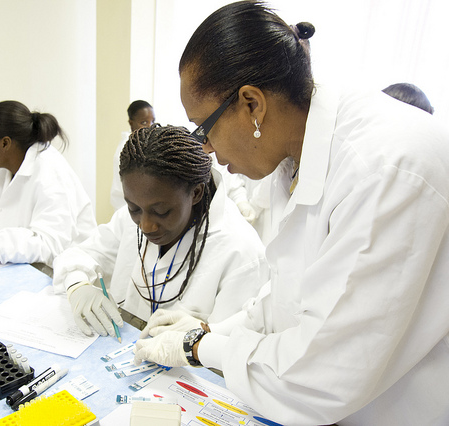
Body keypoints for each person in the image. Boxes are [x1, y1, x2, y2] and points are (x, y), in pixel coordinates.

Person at [132, 2, 449, 425]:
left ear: (251, 105)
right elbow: (289, 296)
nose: (205, 150)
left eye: (203, 129)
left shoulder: (381, 170)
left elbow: (325, 371)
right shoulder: (294, 155)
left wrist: (196, 347)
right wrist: (211, 330)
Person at [54, 124, 268, 337]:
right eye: (133, 208)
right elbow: (76, 255)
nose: (146, 225)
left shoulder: (241, 251)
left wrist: (196, 341)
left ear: (196, 193)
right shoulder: (133, 217)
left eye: (162, 211)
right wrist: (77, 285)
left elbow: (230, 348)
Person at [0, 100, 97, 266]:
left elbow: (46, 245)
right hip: (21, 263)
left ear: (4, 143)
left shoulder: (50, 173)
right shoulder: (1, 167)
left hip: (61, 271)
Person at [110, 100, 156, 210]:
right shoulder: (126, 150)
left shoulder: (146, 144)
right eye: (144, 122)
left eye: (153, 122)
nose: (150, 127)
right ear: (131, 123)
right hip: (128, 209)